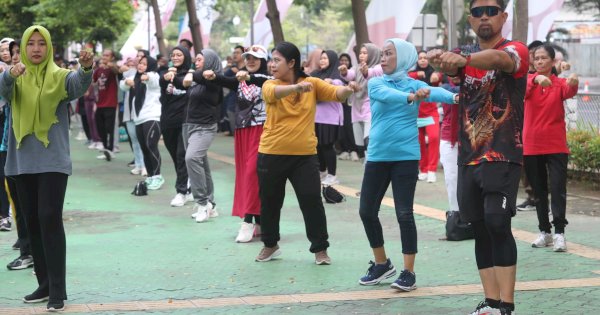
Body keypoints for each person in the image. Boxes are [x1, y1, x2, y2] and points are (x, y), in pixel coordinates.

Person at [427, 1, 528, 314]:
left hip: (502, 154)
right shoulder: (465, 54)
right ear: (470, 19)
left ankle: (507, 306)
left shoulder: (516, 49)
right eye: (478, 12)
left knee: (498, 222)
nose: (485, 17)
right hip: (469, 156)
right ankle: (491, 302)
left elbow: (499, 59)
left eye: (491, 11)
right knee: (480, 227)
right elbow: (448, 68)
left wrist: (464, 57)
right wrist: (437, 60)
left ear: (503, 16)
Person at [0, 25, 94, 312]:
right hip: (21, 162)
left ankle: (57, 290)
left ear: (49, 47)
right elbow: (2, 89)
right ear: (23, 49)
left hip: (52, 162)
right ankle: (43, 284)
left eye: (42, 43)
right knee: (32, 222)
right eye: (31, 44)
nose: (37, 48)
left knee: (49, 217)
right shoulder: (15, 77)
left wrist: (87, 67)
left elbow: (78, 84)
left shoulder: (60, 77)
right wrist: (8, 74)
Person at [358, 38, 457, 291]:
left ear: (402, 57)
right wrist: (413, 96)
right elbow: (389, 96)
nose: (383, 57)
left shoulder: (416, 83)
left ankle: (408, 272)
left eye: (389, 53)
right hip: (378, 157)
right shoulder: (377, 83)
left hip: (406, 157)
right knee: (367, 211)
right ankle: (382, 264)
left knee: (404, 213)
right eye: (382, 53)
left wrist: (456, 98)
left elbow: (439, 93)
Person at [255, 41, 358, 264]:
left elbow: (335, 93)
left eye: (277, 60)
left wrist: (348, 89)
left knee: (311, 201)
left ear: (291, 63)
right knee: (270, 202)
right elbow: (276, 93)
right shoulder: (269, 85)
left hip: (304, 156)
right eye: (272, 60)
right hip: (271, 153)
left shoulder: (312, 83)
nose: (272, 65)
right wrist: (295, 88)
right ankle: (270, 245)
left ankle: (320, 249)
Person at [202, 44, 271, 242]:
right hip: (242, 132)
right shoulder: (241, 79)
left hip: (262, 132)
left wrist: (247, 77)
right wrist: (214, 76)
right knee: (245, 175)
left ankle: (248, 221)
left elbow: (259, 80)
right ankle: (259, 220)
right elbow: (227, 80)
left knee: (252, 173)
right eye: (248, 57)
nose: (250, 61)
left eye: (255, 58)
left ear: (263, 61)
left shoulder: (268, 80)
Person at [524, 43, 579, 252]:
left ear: (552, 61)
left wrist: (574, 80)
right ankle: (544, 232)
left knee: (558, 190)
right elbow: (526, 89)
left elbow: (569, 90)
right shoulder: (527, 80)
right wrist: (537, 78)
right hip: (532, 145)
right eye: (536, 58)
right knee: (539, 192)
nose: (539, 61)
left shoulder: (559, 83)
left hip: (556, 145)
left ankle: (559, 234)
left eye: (543, 58)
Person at [181, 49, 222, 222]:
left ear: (210, 62)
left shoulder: (214, 80)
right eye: (195, 60)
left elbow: (204, 81)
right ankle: (210, 204)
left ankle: (202, 203)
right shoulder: (196, 80)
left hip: (205, 127)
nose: (196, 62)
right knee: (201, 164)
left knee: (191, 158)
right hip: (188, 126)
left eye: (200, 59)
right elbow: (179, 83)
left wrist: (191, 73)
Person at [122, 54, 164, 190]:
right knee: (144, 149)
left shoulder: (155, 76)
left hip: (152, 117)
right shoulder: (135, 78)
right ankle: (150, 176)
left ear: (150, 66)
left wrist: (147, 76)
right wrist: (127, 82)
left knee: (151, 146)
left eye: (144, 64)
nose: (141, 65)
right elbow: (123, 85)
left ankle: (158, 176)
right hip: (138, 118)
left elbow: (151, 78)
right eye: (140, 63)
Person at [339, 43, 383, 162]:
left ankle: (371, 162)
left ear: (373, 55)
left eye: (365, 53)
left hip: (371, 105)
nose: (361, 55)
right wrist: (344, 72)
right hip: (357, 105)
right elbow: (350, 75)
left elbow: (371, 73)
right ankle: (368, 162)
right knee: (361, 141)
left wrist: (366, 72)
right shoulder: (357, 67)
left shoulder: (379, 68)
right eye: (360, 53)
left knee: (369, 138)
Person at [160, 46, 193, 204]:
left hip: (184, 122)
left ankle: (181, 191)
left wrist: (176, 78)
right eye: (173, 55)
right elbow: (161, 81)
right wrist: (167, 77)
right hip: (167, 121)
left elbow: (186, 85)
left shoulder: (191, 75)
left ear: (186, 57)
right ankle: (189, 185)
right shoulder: (166, 74)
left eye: (179, 55)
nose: (176, 57)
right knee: (176, 156)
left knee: (182, 155)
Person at [311, 50, 345, 186]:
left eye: (325, 58)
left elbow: (339, 85)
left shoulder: (337, 76)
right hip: (316, 117)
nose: (322, 61)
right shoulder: (316, 74)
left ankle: (332, 175)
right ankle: (322, 171)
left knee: (327, 146)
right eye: (321, 58)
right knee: (318, 146)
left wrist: (330, 82)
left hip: (330, 118)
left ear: (332, 60)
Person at [410, 50, 442, 183]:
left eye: (425, 58)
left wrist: (437, 76)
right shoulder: (413, 74)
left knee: (434, 137)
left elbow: (441, 76)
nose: (423, 60)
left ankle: (431, 170)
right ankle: (423, 170)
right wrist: (416, 74)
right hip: (417, 113)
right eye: (420, 58)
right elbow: (407, 77)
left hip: (431, 112)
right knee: (419, 142)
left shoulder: (434, 73)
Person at [92, 49, 120, 161]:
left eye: (107, 55)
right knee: (101, 128)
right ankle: (105, 149)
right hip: (100, 104)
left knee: (110, 128)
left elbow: (117, 71)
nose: (104, 57)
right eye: (103, 55)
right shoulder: (98, 70)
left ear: (112, 57)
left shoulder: (113, 68)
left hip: (111, 103)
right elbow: (93, 82)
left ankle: (111, 149)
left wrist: (110, 65)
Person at [336, 53, 358, 161]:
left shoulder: (353, 74)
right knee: (342, 128)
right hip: (339, 104)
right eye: (342, 60)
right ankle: (344, 150)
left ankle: (354, 150)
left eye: (346, 60)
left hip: (350, 104)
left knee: (349, 127)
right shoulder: (336, 73)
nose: (344, 63)